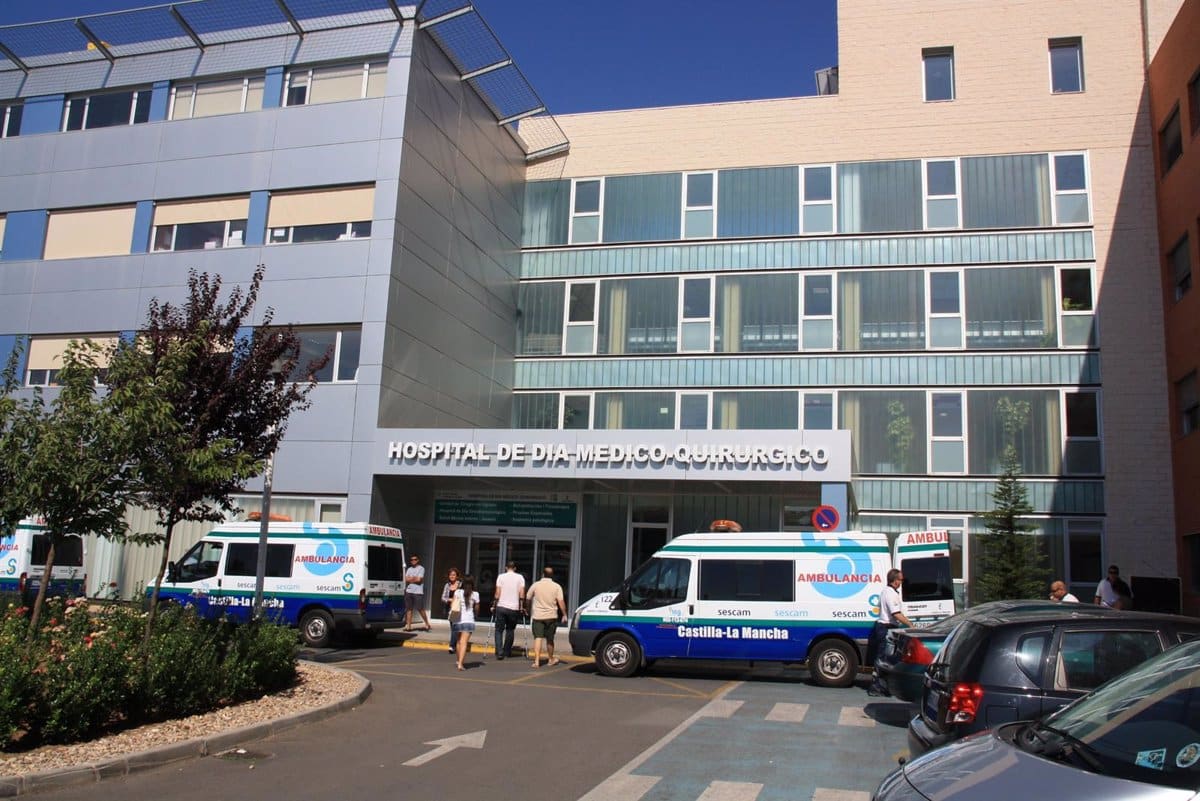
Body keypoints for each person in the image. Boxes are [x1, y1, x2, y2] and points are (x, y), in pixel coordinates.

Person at [867, 568, 912, 697]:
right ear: (895, 580)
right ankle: (876, 686)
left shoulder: (888, 592)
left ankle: (882, 685)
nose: (901, 582)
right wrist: (910, 624)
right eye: (900, 580)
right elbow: (896, 613)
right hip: (885, 628)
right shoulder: (890, 593)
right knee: (883, 658)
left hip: (885, 627)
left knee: (886, 658)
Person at [526, 566, 567, 668]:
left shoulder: (536, 585)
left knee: (538, 638)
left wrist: (528, 609)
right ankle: (550, 659)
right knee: (550, 639)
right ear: (552, 575)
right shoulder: (556, 586)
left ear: (543, 574)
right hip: (551, 616)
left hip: (538, 616)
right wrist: (564, 614)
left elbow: (528, 598)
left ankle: (536, 661)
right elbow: (561, 602)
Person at [492, 560, 526, 660]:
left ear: (506, 568)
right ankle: (507, 651)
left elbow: (497, 593)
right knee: (510, 630)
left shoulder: (501, 577)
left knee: (499, 630)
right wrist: (521, 606)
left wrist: (494, 605)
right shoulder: (520, 577)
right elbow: (522, 593)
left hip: (501, 606)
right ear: (515, 568)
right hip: (514, 607)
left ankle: (499, 651)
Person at [452, 575, 480, 671]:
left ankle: (458, 660)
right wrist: (476, 615)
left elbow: (453, 605)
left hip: (457, 620)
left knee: (459, 641)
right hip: (469, 620)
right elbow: (477, 608)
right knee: (464, 642)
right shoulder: (475, 594)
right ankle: (460, 664)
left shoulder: (457, 592)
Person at [404, 554, 432, 632]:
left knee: (420, 608)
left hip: (418, 592)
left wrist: (411, 579)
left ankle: (427, 623)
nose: (413, 561)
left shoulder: (421, 568)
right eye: (412, 560)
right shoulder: (409, 569)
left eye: (415, 559)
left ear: (418, 560)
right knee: (409, 609)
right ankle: (409, 626)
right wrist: (414, 578)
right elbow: (406, 579)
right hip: (409, 591)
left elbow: (419, 580)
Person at [440, 567, 462, 653]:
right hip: (450, 609)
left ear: (457, 576)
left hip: (459, 608)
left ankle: (452, 646)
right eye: (450, 575)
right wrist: (450, 600)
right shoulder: (447, 585)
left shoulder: (461, 585)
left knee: (455, 627)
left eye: (454, 575)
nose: (452, 576)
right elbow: (443, 597)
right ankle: (455, 644)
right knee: (454, 628)